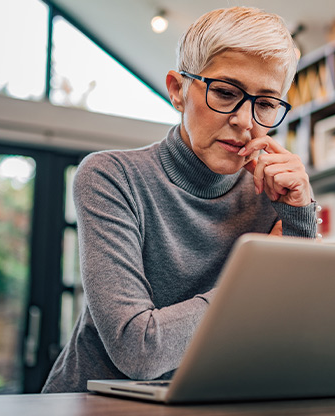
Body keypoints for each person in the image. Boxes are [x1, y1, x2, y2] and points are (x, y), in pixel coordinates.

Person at [42, 6, 318, 393]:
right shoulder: (111, 177)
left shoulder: (273, 194)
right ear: (177, 90)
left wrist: (301, 220)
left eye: (267, 103)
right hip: (93, 404)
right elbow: (138, 350)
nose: (245, 120)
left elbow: (294, 341)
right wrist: (253, 287)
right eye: (225, 92)